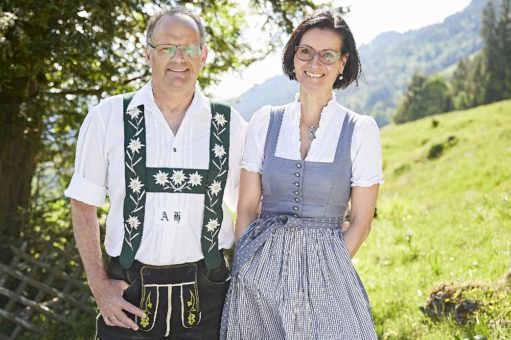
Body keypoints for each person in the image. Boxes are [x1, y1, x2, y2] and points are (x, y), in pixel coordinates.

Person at [65, 6, 246, 339]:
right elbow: (82, 203)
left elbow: (250, 209)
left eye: (189, 47)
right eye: (166, 48)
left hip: (210, 295)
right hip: (127, 293)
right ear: (149, 54)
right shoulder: (107, 118)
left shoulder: (230, 124)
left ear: (203, 55)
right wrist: (99, 285)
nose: (179, 58)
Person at [221, 10, 382, 339]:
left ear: (342, 63)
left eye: (327, 55)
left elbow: (361, 220)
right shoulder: (265, 121)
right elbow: (248, 207)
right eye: (306, 52)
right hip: (259, 275)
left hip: (329, 276)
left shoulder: (360, 130)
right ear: (294, 57)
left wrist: (324, 271)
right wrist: (249, 265)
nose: (314, 63)